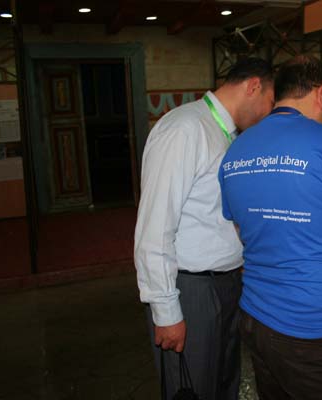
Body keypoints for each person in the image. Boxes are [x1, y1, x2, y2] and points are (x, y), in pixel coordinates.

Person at [218, 55, 322, 399]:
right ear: (321, 94)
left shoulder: (236, 149)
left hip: (255, 317)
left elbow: (243, 231)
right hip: (311, 331)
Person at [134, 58, 274, 400]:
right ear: (254, 86)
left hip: (226, 285)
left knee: (224, 385)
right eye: (271, 102)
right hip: (191, 290)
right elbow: (155, 227)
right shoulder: (185, 129)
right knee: (193, 390)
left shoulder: (226, 134)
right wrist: (166, 311)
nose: (268, 113)